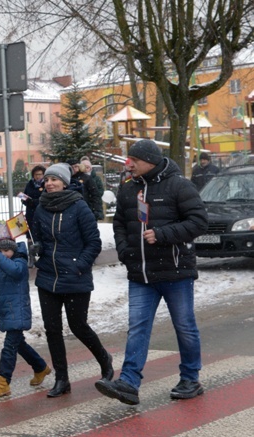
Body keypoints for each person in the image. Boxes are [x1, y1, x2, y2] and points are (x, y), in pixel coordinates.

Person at [95, 139, 208, 405]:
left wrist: (162, 234)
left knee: (185, 327)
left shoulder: (179, 185)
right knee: (137, 328)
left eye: (133, 159)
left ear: (149, 161)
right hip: (141, 275)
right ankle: (129, 383)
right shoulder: (127, 190)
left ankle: (191, 378)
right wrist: (125, 250)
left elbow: (199, 222)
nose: (128, 164)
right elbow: (120, 223)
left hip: (175, 272)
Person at [33, 163, 114, 398]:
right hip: (48, 277)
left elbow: (94, 243)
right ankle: (62, 378)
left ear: (65, 183)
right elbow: (39, 238)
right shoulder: (41, 208)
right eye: (46, 180)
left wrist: (79, 265)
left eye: (54, 180)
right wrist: (36, 248)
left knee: (78, 326)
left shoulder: (79, 207)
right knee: (52, 330)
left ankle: (104, 360)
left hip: (75, 277)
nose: (49, 183)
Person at [0, 221, 51, 398]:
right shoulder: (0, 268)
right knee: (19, 345)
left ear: (13, 249)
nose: (3, 255)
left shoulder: (20, 262)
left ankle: (3, 382)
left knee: (9, 347)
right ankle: (41, 367)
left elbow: (15, 271)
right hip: (7, 313)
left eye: (6, 251)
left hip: (18, 312)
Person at [21, 165, 46, 267]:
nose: (38, 176)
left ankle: (42, 256)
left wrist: (34, 202)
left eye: (40, 174)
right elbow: (25, 196)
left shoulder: (46, 184)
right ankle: (31, 257)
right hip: (30, 213)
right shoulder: (30, 184)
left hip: (42, 213)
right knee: (30, 236)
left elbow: (44, 198)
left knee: (42, 234)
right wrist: (25, 200)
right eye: (36, 174)